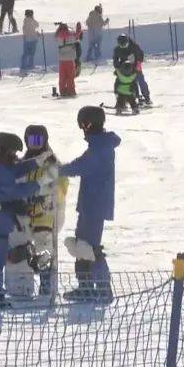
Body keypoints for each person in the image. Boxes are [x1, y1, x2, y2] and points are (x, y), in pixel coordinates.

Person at [0, 132, 50, 307]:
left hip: (0, 219)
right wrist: (39, 183)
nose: (14, 156)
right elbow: (15, 191)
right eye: (12, 152)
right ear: (3, 150)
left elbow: (14, 169)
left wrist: (34, 162)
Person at [60, 106, 121, 303]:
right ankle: (85, 286)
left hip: (95, 205)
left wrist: (56, 171)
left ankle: (102, 288)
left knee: (89, 247)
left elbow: (81, 166)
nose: (81, 129)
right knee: (82, 244)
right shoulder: (99, 145)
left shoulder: (101, 148)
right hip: (90, 204)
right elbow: (81, 163)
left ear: (88, 124)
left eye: (82, 124)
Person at [16, 125, 67, 298]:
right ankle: (23, 286)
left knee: (43, 246)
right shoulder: (23, 163)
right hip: (25, 213)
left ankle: (47, 285)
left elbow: (61, 186)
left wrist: (45, 195)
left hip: (46, 213)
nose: (35, 145)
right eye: (32, 141)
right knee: (21, 247)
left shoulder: (51, 162)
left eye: (39, 140)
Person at [113, 34, 151, 106]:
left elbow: (141, 56)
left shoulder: (134, 46)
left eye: (124, 45)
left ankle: (146, 97)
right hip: (124, 67)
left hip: (135, 65)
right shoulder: (117, 49)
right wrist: (117, 69)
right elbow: (115, 60)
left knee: (140, 80)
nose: (123, 46)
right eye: (121, 45)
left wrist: (138, 64)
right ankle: (122, 100)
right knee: (122, 82)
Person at [56, 23, 81, 97]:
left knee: (62, 77)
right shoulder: (71, 36)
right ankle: (71, 91)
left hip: (62, 60)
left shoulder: (58, 37)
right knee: (70, 77)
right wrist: (78, 28)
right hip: (70, 60)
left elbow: (56, 34)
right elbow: (77, 35)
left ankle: (63, 91)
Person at [21, 9, 39, 74]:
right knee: (32, 54)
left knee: (25, 54)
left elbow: (24, 31)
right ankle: (30, 65)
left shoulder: (25, 21)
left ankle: (23, 66)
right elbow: (37, 25)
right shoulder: (32, 21)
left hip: (27, 40)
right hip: (33, 39)